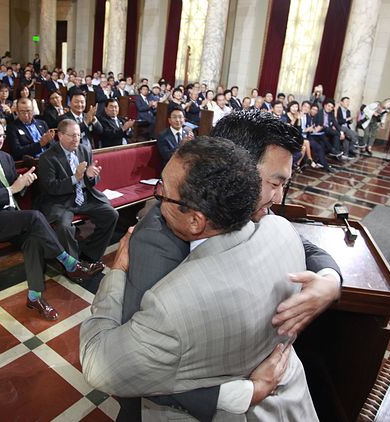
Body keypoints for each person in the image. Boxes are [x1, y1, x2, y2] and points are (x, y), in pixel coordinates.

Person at [114, 110, 342, 420]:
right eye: (275, 183)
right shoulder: (160, 241)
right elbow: (136, 362)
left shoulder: (247, 211)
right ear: (237, 171)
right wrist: (245, 392)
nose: (278, 197)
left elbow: (302, 245)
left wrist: (329, 280)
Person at [0, 115, 103, 320]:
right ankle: (70, 263)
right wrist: (12, 188)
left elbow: (15, 189)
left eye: (1, 136)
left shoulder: (5, 157)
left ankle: (34, 297)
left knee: (33, 241)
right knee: (34, 217)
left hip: (8, 217)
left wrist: (23, 184)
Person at [37, 118, 119, 268]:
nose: (76, 139)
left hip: (85, 196)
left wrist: (90, 176)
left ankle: (90, 254)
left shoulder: (84, 149)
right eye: (72, 135)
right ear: (60, 136)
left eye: (78, 135)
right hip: (61, 201)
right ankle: (73, 266)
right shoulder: (47, 157)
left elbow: (93, 179)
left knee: (111, 214)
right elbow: (51, 187)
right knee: (64, 227)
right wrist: (75, 178)